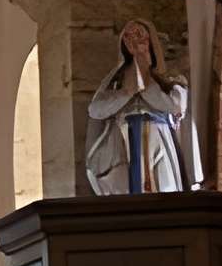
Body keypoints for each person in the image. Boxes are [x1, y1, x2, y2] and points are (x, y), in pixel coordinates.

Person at [84, 17, 201, 194]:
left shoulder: (169, 77)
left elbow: (175, 107)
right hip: (123, 139)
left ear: (151, 40)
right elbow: (96, 109)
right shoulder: (115, 79)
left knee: (163, 187)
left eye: (139, 35)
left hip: (158, 136)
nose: (134, 40)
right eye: (128, 36)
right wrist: (125, 93)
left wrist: (144, 75)